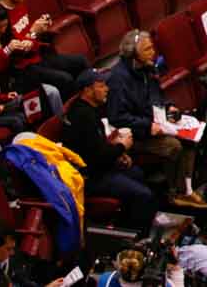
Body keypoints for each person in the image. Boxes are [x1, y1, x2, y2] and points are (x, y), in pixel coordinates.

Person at [105, 28, 206, 209]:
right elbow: (117, 117)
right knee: (173, 146)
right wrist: (147, 126)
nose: (153, 53)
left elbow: (155, 97)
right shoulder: (118, 79)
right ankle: (174, 193)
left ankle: (187, 190)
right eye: (147, 50)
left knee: (191, 139)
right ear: (132, 53)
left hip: (155, 123)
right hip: (133, 134)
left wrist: (168, 108)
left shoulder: (148, 69)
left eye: (152, 48)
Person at [61, 66, 158, 233]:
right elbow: (96, 158)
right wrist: (121, 147)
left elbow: (97, 147)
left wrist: (118, 154)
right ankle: (134, 238)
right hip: (90, 177)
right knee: (144, 195)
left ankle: (124, 222)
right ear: (87, 90)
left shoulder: (87, 109)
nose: (107, 89)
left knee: (137, 173)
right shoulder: (83, 117)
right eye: (101, 86)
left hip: (97, 166)